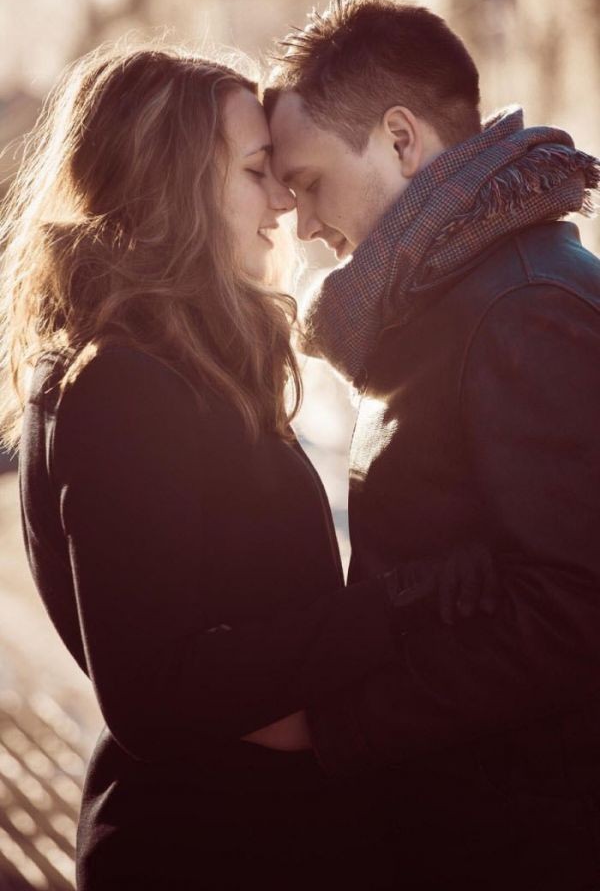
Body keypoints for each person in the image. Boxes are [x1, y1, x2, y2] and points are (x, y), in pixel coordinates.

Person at [0, 45, 498, 890]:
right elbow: (155, 692)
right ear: (172, 184)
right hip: (209, 849)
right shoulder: (121, 384)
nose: (283, 202)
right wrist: (393, 608)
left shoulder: (169, 364)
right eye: (256, 171)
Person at [265, 0, 600, 890]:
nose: (302, 224)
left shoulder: (521, 305)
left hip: (526, 836)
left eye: (309, 183)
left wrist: (338, 728)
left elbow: (575, 610)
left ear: (401, 140)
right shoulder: (453, 297)